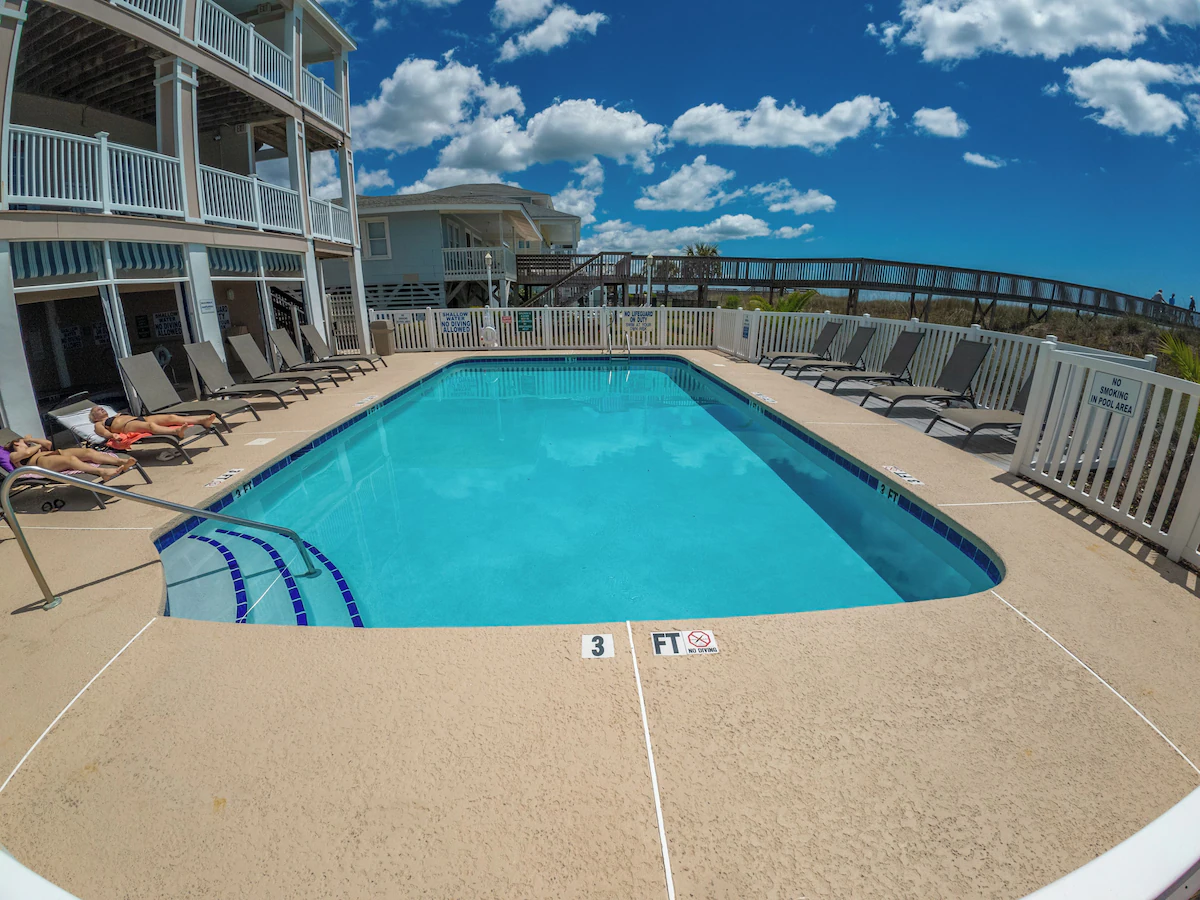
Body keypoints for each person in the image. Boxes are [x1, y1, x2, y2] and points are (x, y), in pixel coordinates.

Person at [4, 436, 136, 483]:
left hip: (55, 453)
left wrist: (31, 440)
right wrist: (36, 446)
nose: (28, 444)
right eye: (24, 442)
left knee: (88, 452)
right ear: (16, 444)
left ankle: (121, 462)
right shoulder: (13, 456)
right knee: (71, 460)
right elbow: (27, 452)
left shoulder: (33, 446)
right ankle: (102, 472)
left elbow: (48, 444)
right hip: (42, 462)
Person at [88, 406, 216, 444]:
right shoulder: (99, 424)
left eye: (101, 408)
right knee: (150, 427)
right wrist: (112, 435)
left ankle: (202, 421)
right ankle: (175, 432)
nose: (101, 410)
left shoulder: (114, 415)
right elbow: (103, 433)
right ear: (94, 417)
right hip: (127, 426)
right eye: (97, 411)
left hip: (140, 418)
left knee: (171, 417)